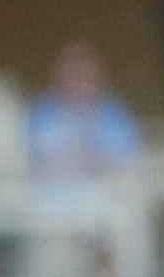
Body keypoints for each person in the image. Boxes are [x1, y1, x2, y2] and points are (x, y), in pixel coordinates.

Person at [29, 43, 147, 181]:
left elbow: (128, 155)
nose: (79, 81)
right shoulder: (43, 112)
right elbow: (37, 154)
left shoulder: (114, 112)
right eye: (72, 75)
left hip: (107, 188)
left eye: (85, 75)